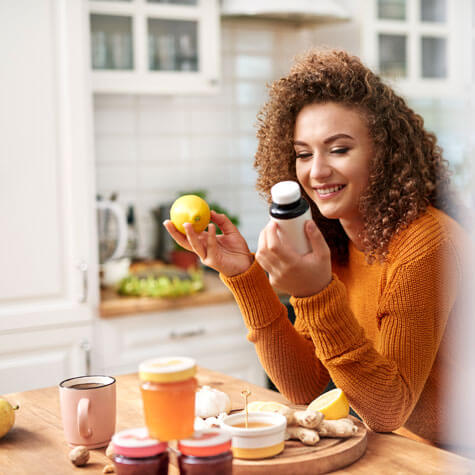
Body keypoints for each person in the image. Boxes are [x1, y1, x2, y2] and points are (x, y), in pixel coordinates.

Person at [164, 49, 471, 447]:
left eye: (339, 149)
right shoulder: (331, 238)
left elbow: (389, 409)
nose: (317, 170)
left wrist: (314, 291)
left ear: (384, 153)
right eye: (304, 154)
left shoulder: (427, 243)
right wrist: (245, 276)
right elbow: (306, 385)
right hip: (408, 448)